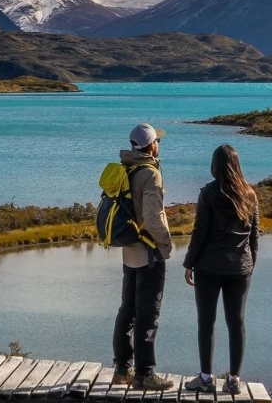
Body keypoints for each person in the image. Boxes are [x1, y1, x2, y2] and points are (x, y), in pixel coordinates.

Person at [182, 144, 260, 396]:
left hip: (208, 267)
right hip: (240, 268)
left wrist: (189, 263)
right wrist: (250, 264)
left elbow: (200, 232)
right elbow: (254, 236)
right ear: (237, 165)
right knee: (236, 323)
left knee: (207, 322)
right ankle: (234, 379)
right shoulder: (250, 194)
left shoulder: (208, 193)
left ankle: (205, 378)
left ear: (215, 166)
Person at [111, 123, 175, 390]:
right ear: (151, 145)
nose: (159, 144)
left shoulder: (128, 167)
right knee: (148, 314)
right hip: (149, 252)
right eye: (157, 141)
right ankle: (145, 374)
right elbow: (153, 216)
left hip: (129, 250)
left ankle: (122, 369)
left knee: (127, 310)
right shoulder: (150, 173)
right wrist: (166, 244)